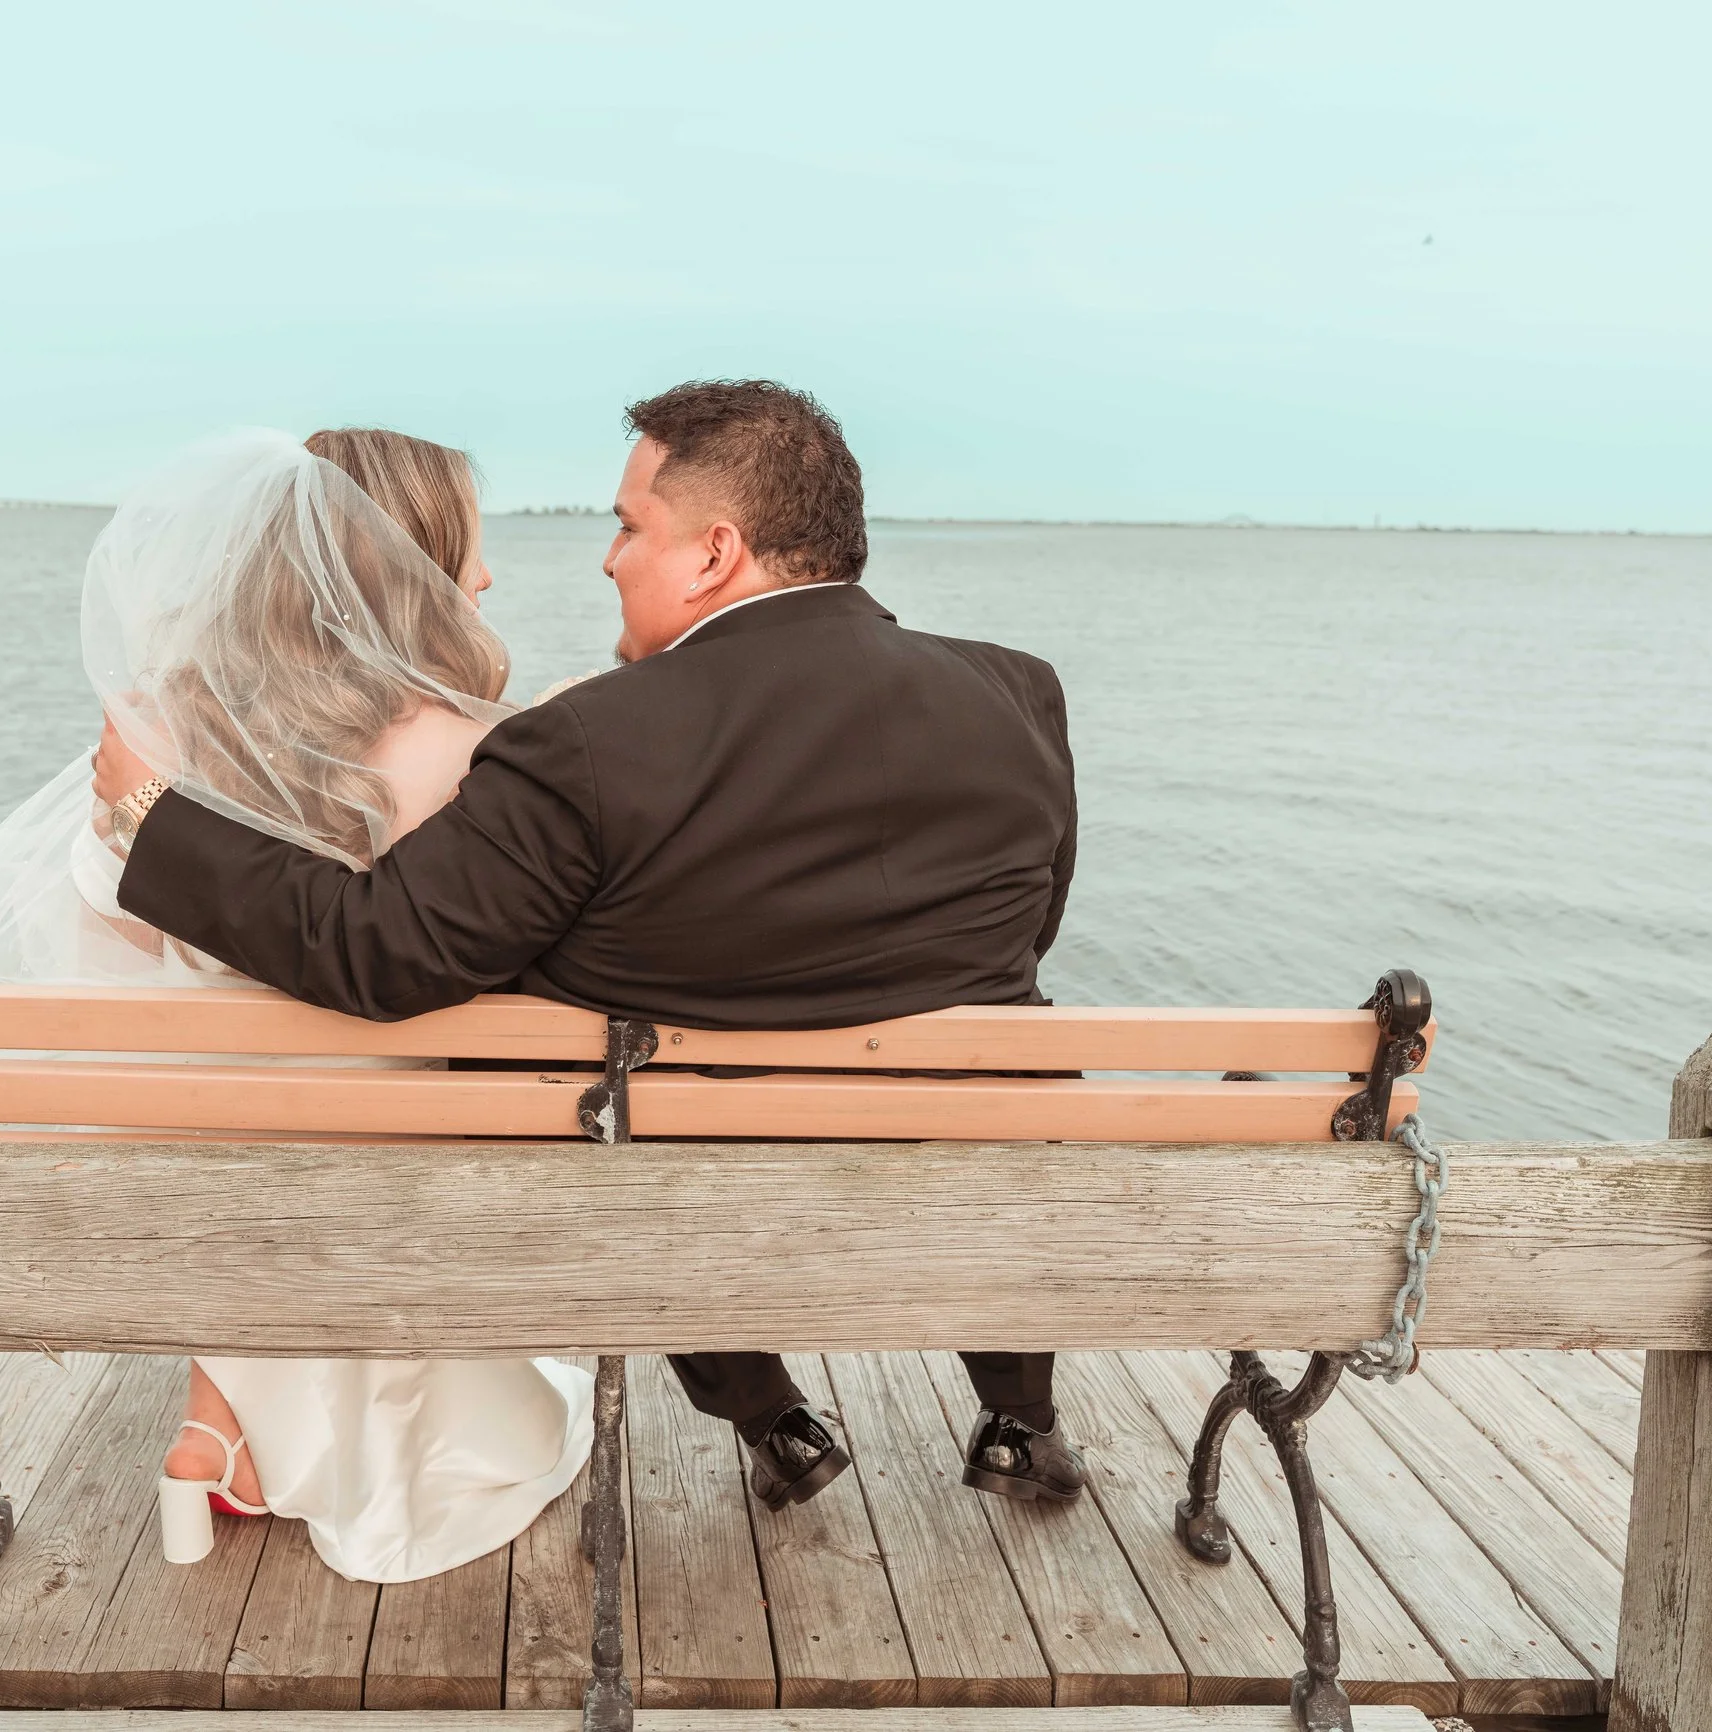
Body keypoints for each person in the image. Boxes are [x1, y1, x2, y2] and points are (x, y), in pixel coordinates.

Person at [93, 380, 1085, 1512]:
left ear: (715, 553)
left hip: (693, 1211)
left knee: (635, 1112)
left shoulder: (586, 742)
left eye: (627, 527)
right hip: (963, 1185)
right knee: (1000, 1057)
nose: (607, 558)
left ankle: (771, 1417)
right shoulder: (1017, 694)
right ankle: (1019, 1415)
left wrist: (150, 823)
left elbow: (381, 954)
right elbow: (1027, 933)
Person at [0, 426, 594, 1582]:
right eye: (468, 547)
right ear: (404, 564)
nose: (485, 577)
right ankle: (328, 1447)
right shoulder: (470, 756)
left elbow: (108, 930)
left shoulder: (178, 731)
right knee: (385, 1116)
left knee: (266, 1126)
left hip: (215, 1160)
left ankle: (215, 1428)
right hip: (398, 1168)